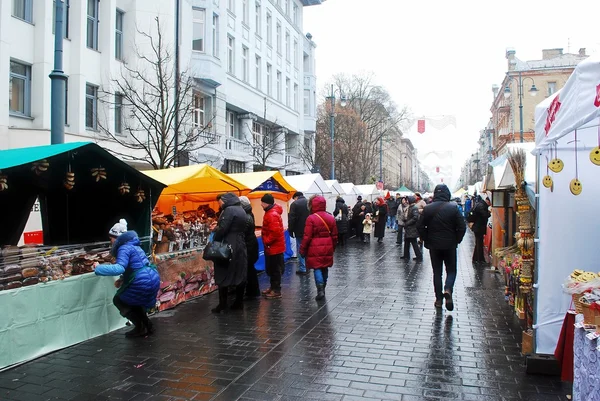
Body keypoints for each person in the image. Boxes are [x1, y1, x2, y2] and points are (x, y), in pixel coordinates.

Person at [94, 219, 160, 337]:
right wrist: (123, 279)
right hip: (151, 276)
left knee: (119, 300)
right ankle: (148, 326)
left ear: (117, 238)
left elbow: (120, 268)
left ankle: (140, 328)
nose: (111, 241)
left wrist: (98, 268)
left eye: (112, 238)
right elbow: (135, 265)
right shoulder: (134, 245)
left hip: (142, 280)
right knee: (135, 302)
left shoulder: (123, 248)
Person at [417, 184, 467, 311]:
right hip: (450, 245)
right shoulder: (454, 208)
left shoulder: (427, 209)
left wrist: (427, 239)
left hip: (434, 246)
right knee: (451, 270)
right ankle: (448, 288)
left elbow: (420, 226)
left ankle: (439, 299)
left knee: (437, 273)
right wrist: (457, 239)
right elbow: (462, 226)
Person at [210, 193, 248, 313]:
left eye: (220, 201)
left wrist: (215, 236)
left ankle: (222, 304)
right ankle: (238, 302)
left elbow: (223, 229)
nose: (219, 204)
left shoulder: (229, 210)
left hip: (228, 245)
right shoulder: (241, 209)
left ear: (225, 200)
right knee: (239, 273)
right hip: (240, 245)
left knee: (223, 272)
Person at [300, 196, 338, 301]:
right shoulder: (330, 217)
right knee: (325, 267)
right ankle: (323, 287)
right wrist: (333, 247)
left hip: (314, 247)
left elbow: (307, 236)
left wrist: (302, 249)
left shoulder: (311, 218)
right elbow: (335, 235)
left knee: (317, 267)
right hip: (328, 246)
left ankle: (320, 288)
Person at [260, 193, 286, 299]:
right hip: (273, 247)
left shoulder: (272, 214)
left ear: (266, 203)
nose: (261, 204)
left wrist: (267, 241)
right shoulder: (271, 212)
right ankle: (273, 287)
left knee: (275, 269)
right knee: (272, 268)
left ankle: (276, 290)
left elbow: (275, 232)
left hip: (274, 247)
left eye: (262, 202)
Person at [238, 196, 260, 300]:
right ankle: (253, 291)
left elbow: (243, 232)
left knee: (249, 269)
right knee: (250, 268)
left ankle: (252, 291)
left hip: (249, 245)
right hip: (251, 244)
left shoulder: (246, 216)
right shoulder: (249, 213)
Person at [288, 191, 310, 275]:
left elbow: (291, 219)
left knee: (301, 248)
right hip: (310, 230)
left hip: (299, 231)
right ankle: (308, 266)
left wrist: (291, 230)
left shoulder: (295, 204)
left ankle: (303, 268)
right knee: (308, 248)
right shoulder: (309, 202)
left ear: (296, 197)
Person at [470, 195, 491, 264]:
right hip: (479, 227)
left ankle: (475, 258)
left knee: (478, 243)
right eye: (490, 203)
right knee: (479, 243)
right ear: (487, 201)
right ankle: (480, 260)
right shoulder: (481, 206)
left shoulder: (480, 204)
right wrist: (489, 212)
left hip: (478, 227)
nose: (490, 204)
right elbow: (485, 214)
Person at [400, 196, 422, 261]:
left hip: (411, 228)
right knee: (407, 242)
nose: (406, 201)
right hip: (409, 228)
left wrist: (407, 223)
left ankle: (419, 256)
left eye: (407, 200)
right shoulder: (411, 207)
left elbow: (415, 217)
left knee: (413, 242)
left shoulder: (414, 208)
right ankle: (406, 255)